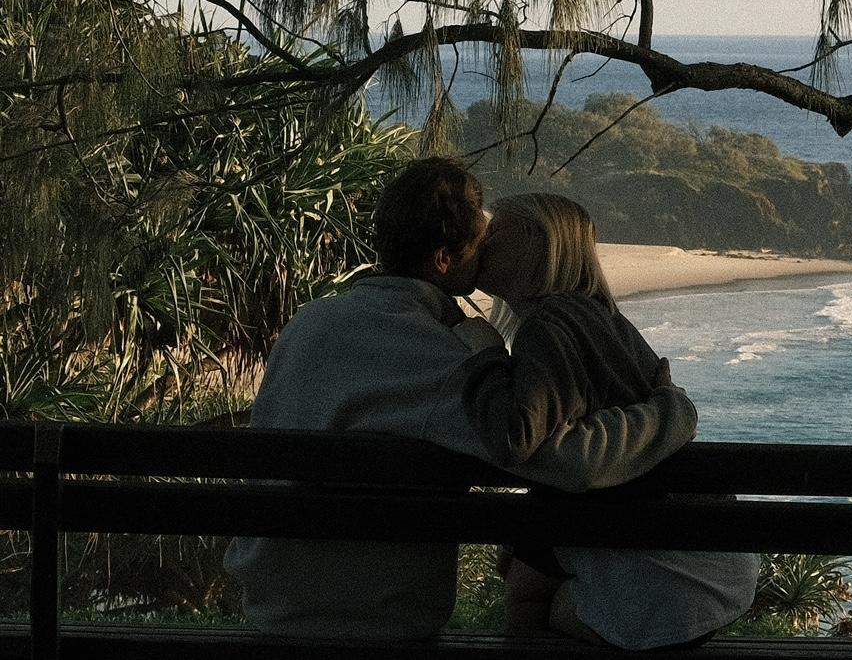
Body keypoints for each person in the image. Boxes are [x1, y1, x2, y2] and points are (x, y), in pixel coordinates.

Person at [223, 158, 698, 641]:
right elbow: (570, 463)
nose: (488, 254)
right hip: (376, 613)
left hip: (274, 597)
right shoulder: (442, 354)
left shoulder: (309, 322)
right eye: (482, 244)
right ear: (445, 259)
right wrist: (671, 412)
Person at [465, 191, 760, 650]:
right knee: (527, 570)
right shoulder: (604, 319)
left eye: (497, 234)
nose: (483, 244)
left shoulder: (550, 324)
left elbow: (517, 437)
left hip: (671, 578)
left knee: (528, 597)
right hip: (715, 565)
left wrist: (481, 355)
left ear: (537, 245)